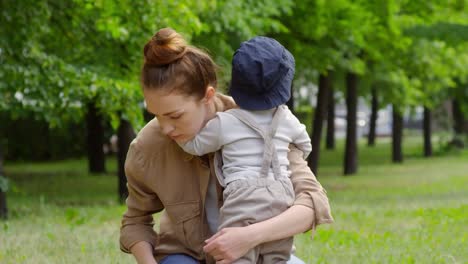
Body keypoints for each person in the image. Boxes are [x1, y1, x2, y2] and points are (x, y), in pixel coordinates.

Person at [119, 28, 334, 264]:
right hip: (186, 257)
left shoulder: (261, 121)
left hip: (255, 254)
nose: (165, 127)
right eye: (157, 115)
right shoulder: (148, 146)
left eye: (175, 115)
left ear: (207, 96)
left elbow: (313, 203)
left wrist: (248, 237)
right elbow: (136, 221)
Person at [177, 36, 312, 263]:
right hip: (281, 191)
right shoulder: (287, 118)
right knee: (280, 255)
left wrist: (179, 136)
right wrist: (288, 153)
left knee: (238, 256)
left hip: (242, 196)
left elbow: (196, 146)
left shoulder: (225, 122)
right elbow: (304, 143)